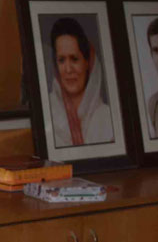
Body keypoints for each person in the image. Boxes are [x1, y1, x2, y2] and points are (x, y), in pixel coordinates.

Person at [47, 17, 114, 148]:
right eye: (61, 60)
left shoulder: (107, 118)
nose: (68, 69)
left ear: (87, 62)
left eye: (74, 59)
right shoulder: (47, 112)